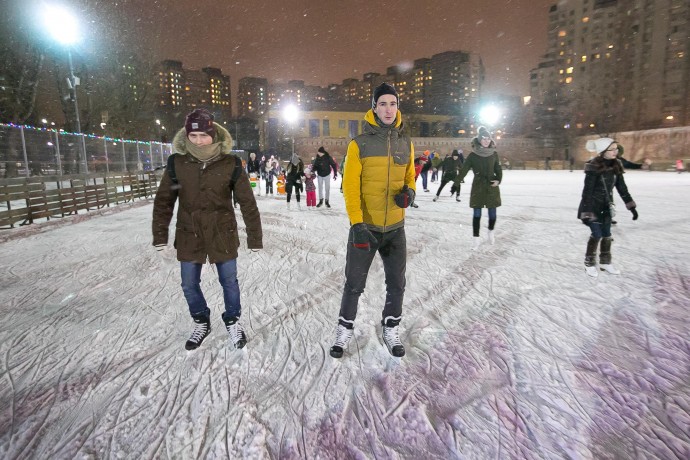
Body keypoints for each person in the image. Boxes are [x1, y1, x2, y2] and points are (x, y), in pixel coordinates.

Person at [152, 108, 263, 350]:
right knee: (188, 284)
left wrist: (255, 237)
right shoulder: (177, 163)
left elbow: (247, 202)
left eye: (204, 135)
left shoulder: (231, 163)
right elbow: (164, 201)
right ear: (186, 137)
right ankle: (201, 319)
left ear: (213, 134)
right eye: (193, 136)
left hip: (222, 232)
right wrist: (160, 235)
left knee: (229, 281)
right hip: (189, 232)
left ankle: (233, 320)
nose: (199, 141)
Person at [330, 82, 416, 359]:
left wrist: (409, 193)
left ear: (397, 107)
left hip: (395, 229)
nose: (388, 109)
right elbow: (350, 187)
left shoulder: (406, 142)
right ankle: (344, 329)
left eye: (393, 103)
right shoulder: (359, 144)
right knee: (354, 283)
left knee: (397, 283)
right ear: (374, 107)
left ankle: (391, 326)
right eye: (383, 104)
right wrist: (357, 223)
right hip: (365, 227)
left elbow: (409, 176)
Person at [578, 137, 638, 277]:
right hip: (592, 206)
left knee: (607, 235)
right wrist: (586, 212)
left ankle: (605, 262)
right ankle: (589, 263)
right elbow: (587, 191)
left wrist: (631, 206)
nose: (615, 151)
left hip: (606, 205)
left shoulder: (616, 165)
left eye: (616, 149)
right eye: (612, 149)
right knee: (597, 234)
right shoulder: (593, 167)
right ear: (603, 151)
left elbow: (622, 188)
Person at [453, 127, 502, 250]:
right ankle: (476, 239)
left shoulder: (494, 154)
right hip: (478, 187)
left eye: (488, 139)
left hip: (491, 186)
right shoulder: (473, 156)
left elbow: (498, 170)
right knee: (477, 214)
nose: (486, 141)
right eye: (484, 138)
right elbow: (463, 170)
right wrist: (456, 183)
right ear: (479, 140)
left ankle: (491, 231)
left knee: (492, 214)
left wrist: (498, 180)